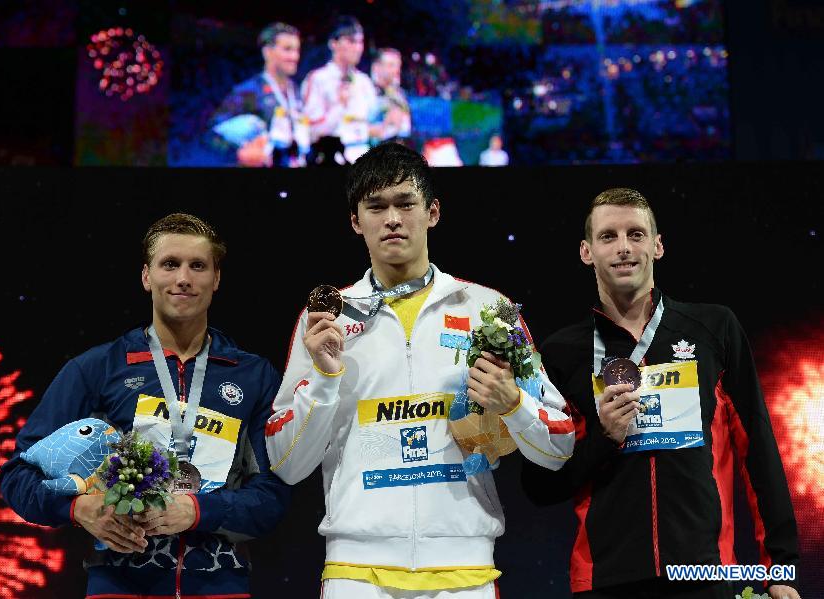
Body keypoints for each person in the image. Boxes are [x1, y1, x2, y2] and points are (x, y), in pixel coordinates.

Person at [265, 142, 575, 598]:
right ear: (356, 221)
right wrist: (325, 379)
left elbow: (559, 445)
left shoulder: (489, 310)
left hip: (464, 570)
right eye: (376, 206)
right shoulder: (326, 323)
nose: (392, 218)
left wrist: (513, 404)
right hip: (356, 573)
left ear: (432, 212)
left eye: (405, 204)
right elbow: (287, 464)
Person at [520, 188, 800, 599]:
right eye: (608, 236)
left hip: (703, 574)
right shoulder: (563, 354)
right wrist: (603, 439)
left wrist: (781, 566)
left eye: (636, 234)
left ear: (658, 244)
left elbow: (757, 446)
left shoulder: (713, 329)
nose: (624, 248)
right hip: (604, 579)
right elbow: (540, 487)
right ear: (586, 252)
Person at [0, 213, 290, 598]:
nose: (183, 278)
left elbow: (273, 494)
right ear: (146, 276)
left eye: (198, 266)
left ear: (216, 278)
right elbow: (17, 475)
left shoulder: (254, 375)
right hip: (118, 585)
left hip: (220, 583)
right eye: (170, 264)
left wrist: (197, 511)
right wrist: (79, 509)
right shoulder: (96, 369)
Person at [208, 22, 309, 167]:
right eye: (287, 49)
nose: (295, 56)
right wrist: (238, 154)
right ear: (267, 52)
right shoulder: (249, 92)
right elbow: (211, 136)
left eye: (297, 50)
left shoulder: (296, 91)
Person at [301, 16, 377, 164]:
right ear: (333, 43)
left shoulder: (364, 82)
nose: (358, 48)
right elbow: (313, 131)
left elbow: (372, 124)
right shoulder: (318, 79)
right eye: (351, 41)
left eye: (360, 42)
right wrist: (339, 105)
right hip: (331, 159)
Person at [369, 48, 411, 145]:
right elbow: (355, 129)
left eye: (398, 66)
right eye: (391, 65)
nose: (396, 70)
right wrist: (387, 123)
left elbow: (405, 130)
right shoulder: (366, 93)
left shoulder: (400, 94)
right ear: (376, 67)